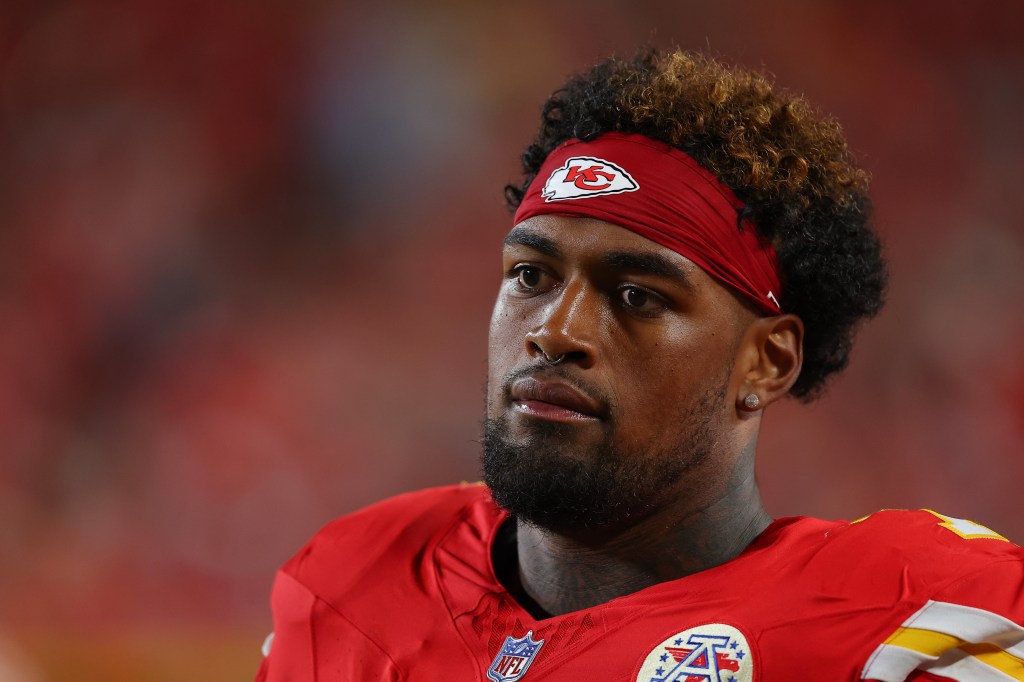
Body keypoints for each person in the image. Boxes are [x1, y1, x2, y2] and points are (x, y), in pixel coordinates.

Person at [255, 48, 1024, 682]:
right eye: (531, 276)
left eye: (634, 295)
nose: (556, 332)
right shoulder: (354, 583)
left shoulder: (906, 617)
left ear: (767, 361)